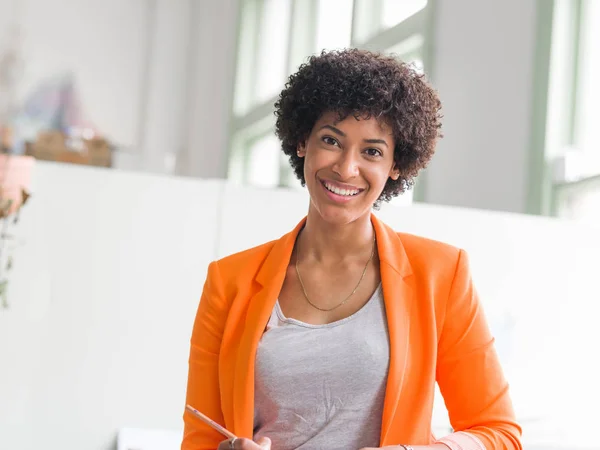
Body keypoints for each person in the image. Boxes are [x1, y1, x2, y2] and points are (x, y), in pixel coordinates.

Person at [181, 49, 522, 450]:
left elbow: (499, 433)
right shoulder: (229, 281)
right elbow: (200, 439)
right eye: (331, 140)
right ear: (302, 141)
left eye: (372, 151)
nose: (346, 168)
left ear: (397, 164)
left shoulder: (441, 273)